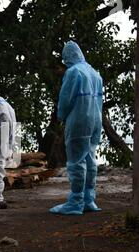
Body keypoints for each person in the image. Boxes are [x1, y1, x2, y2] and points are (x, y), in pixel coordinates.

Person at [50, 41, 103, 215]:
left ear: (68, 57)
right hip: (96, 119)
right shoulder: (95, 73)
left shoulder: (73, 72)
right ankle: (89, 199)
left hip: (80, 118)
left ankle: (76, 201)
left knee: (76, 160)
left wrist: (61, 115)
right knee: (90, 158)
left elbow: (66, 99)